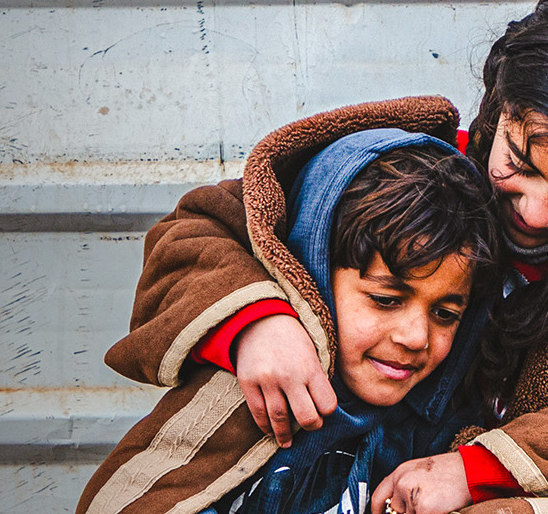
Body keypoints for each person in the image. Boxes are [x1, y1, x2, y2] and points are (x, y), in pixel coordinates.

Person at [96, 0, 548, 514]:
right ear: (500, 103)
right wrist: (260, 324)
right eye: (520, 163)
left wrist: (484, 470)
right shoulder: (412, 177)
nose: (536, 213)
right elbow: (202, 230)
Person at [75, 98, 505, 514]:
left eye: (445, 314)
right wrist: (257, 324)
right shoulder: (257, 380)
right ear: (314, 272)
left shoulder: (441, 439)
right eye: (385, 300)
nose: (415, 337)